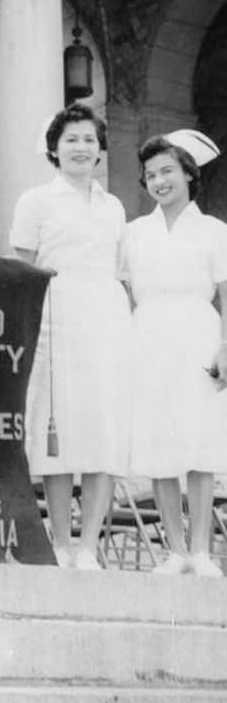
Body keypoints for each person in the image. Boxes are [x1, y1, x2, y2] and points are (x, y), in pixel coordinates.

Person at [9, 103, 131, 570]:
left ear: (100, 151)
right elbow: (22, 266)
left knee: (103, 431)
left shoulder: (114, 206)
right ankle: (60, 542)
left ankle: (88, 547)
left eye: (89, 140)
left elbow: (120, 270)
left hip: (106, 319)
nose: (81, 148)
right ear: (54, 150)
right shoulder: (35, 201)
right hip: (54, 318)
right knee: (55, 430)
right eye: (71, 140)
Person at [123, 130, 227, 578]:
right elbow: (126, 294)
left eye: (168, 171)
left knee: (199, 441)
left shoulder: (215, 231)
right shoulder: (133, 233)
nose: (159, 181)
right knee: (159, 442)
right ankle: (174, 550)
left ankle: (201, 551)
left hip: (199, 333)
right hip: (149, 335)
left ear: (188, 173)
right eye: (150, 175)